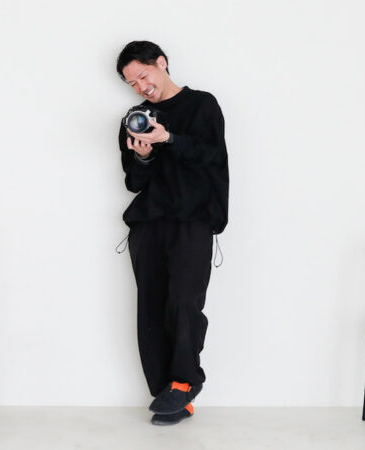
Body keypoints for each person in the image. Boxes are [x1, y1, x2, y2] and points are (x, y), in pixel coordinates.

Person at [116, 40, 229, 426]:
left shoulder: (202, 105)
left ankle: (184, 383)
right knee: (151, 310)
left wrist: (168, 139)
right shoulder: (135, 118)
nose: (141, 87)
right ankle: (168, 396)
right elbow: (134, 182)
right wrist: (144, 155)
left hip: (192, 221)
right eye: (132, 83)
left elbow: (211, 156)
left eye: (143, 75)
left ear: (161, 63)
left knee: (183, 304)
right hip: (148, 225)